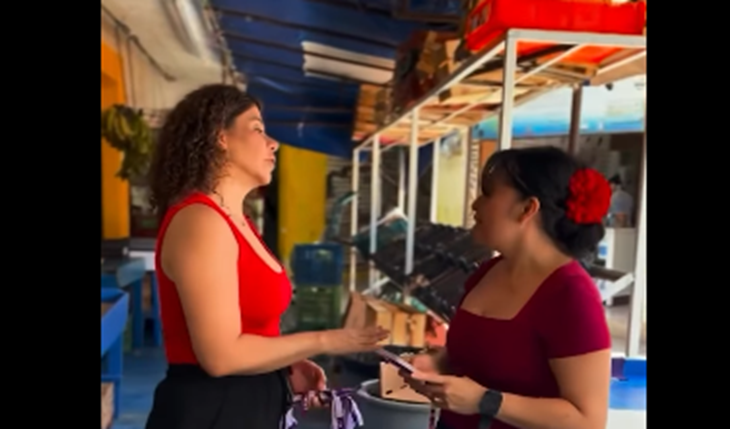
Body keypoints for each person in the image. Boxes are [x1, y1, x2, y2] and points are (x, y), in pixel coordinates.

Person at [145, 84, 388, 429]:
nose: (273, 143)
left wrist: (283, 365)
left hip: (247, 404)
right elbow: (220, 356)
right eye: (257, 129)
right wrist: (325, 340)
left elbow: (251, 330)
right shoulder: (201, 221)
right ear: (221, 138)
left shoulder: (238, 221)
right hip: (211, 412)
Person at [404, 147, 612, 429]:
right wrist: (439, 364)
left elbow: (588, 421)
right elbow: (483, 360)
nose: (475, 204)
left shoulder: (571, 296)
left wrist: (486, 402)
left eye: (488, 193)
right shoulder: (487, 273)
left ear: (527, 209)